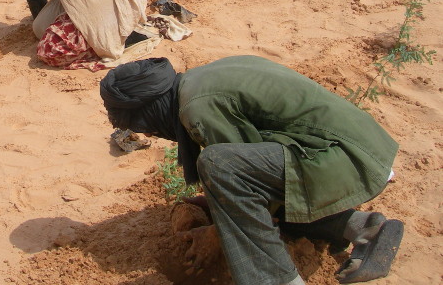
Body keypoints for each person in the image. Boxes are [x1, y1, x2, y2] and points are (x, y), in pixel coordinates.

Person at [100, 55, 403, 285]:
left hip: (344, 156)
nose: (150, 135)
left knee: (217, 166)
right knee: (231, 191)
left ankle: (278, 279)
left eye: (142, 125)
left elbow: (242, 184)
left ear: (151, 107)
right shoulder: (199, 79)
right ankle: (362, 227)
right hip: (351, 148)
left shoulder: (197, 106)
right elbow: (255, 174)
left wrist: (217, 232)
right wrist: (219, 203)